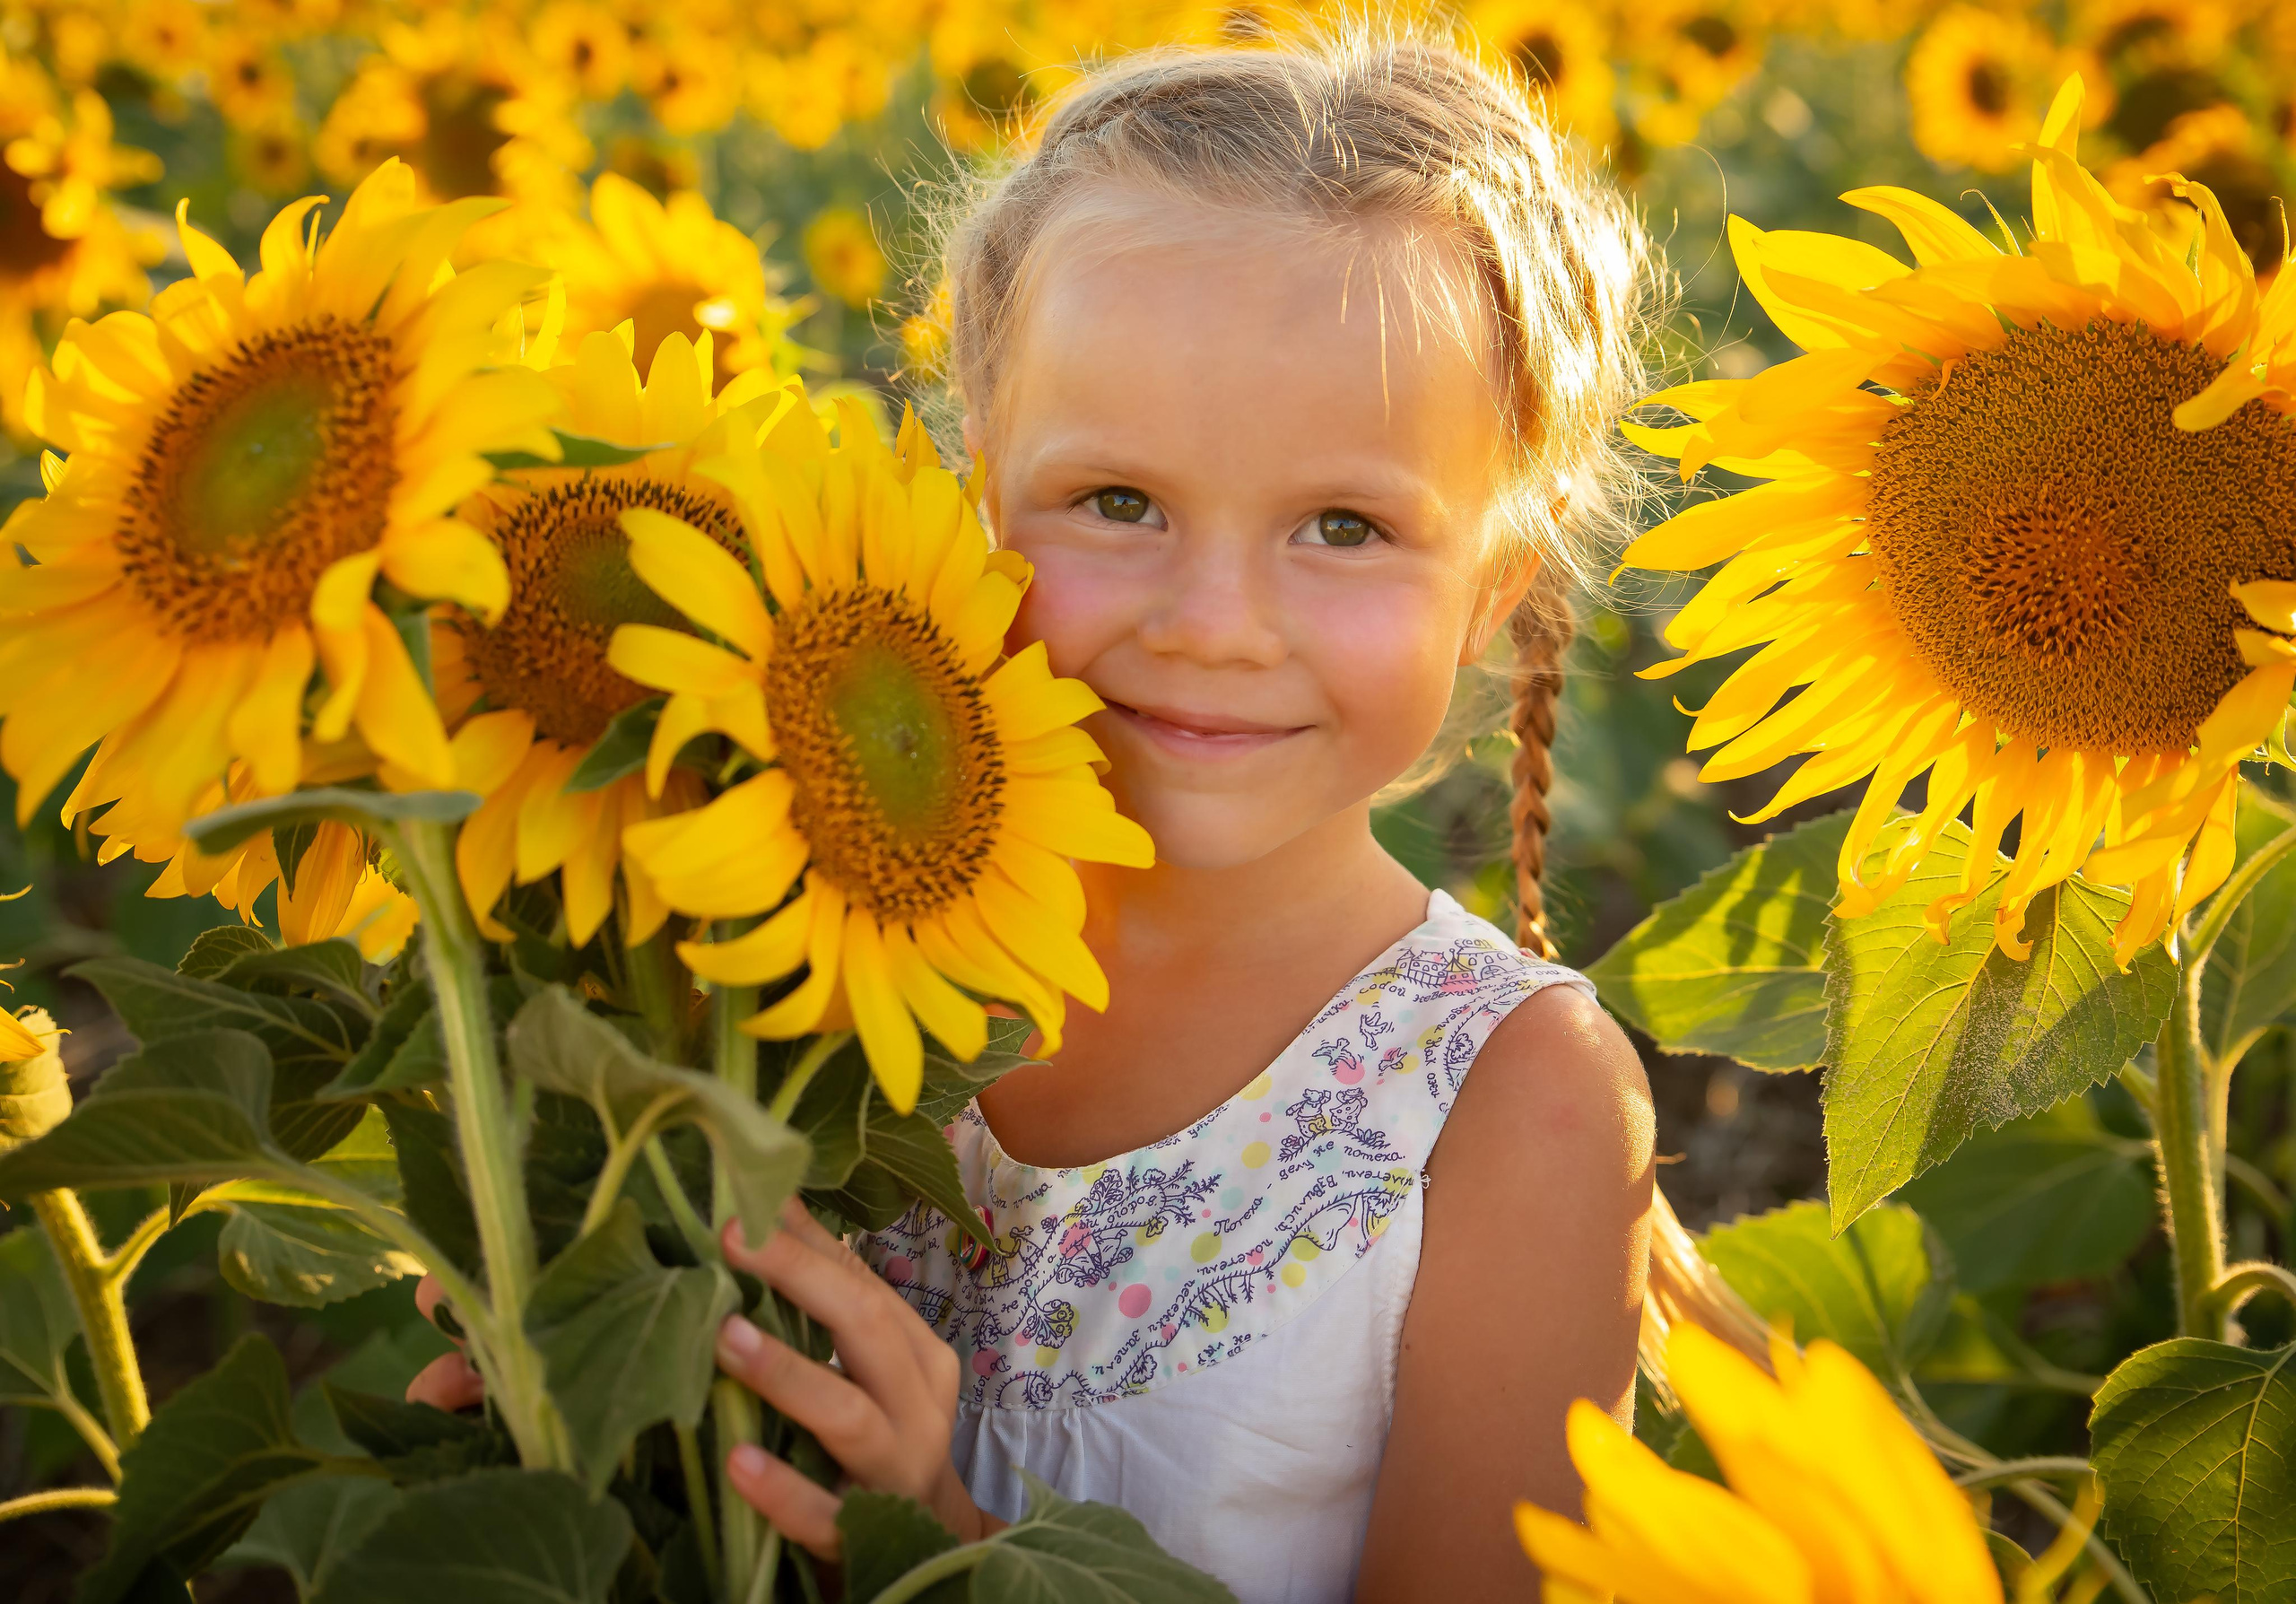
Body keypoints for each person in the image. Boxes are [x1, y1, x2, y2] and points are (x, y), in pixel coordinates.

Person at [416, 27, 1663, 1601]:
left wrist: (940, 1541)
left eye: (1343, 527)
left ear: (1495, 593)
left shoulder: (1513, 1107)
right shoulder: (758, 900)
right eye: (1118, 503)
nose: (1215, 622)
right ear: (978, 488)